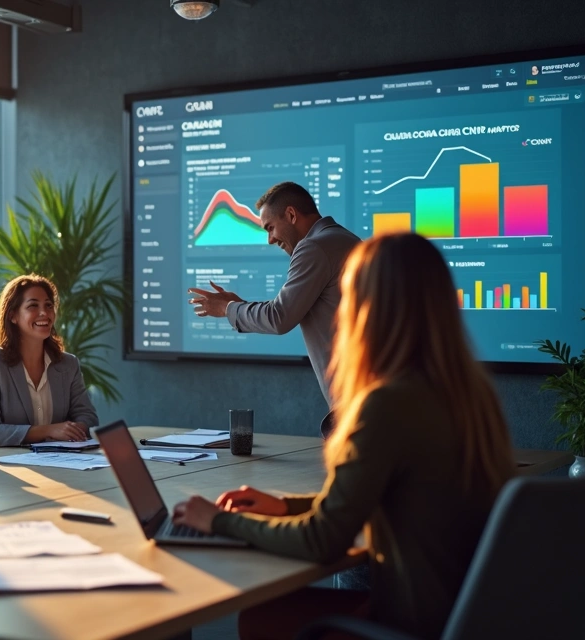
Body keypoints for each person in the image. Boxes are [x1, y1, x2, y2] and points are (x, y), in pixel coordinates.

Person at [172, 233, 516, 640]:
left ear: (368, 308)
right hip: (464, 615)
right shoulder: (470, 396)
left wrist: (220, 521)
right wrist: (285, 505)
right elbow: (382, 496)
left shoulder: (386, 404)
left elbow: (322, 540)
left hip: (409, 622)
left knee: (261, 619)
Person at [187, 181, 360, 435]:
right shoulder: (347, 240)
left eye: (270, 228)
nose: (270, 240)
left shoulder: (313, 247)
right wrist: (239, 305)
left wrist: (228, 309)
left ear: (291, 215)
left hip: (356, 402)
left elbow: (279, 317)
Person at [0, 274, 99, 447]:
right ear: (13, 316)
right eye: (33, 306)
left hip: (64, 462)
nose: (44, 313)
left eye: (48, 305)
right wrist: (48, 431)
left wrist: (73, 430)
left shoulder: (68, 364)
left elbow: (88, 419)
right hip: (13, 467)